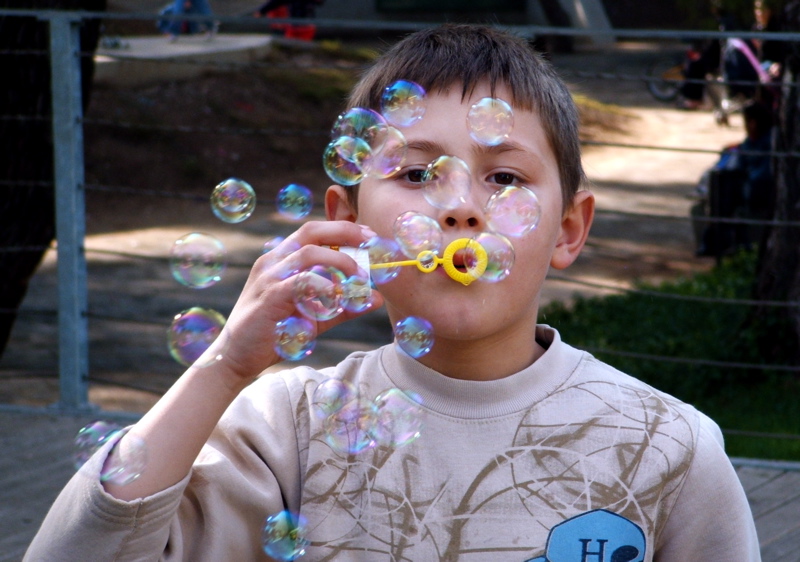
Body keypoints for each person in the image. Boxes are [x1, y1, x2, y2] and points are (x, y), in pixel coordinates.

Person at [25, 24, 760, 561]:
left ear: (568, 229)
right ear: (347, 224)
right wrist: (225, 363)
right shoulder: (286, 430)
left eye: (503, 177)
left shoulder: (666, 447)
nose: (461, 207)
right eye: (415, 175)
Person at [692, 100, 774, 257]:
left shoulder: (769, 142)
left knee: (728, 188)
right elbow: (741, 159)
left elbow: (762, 176)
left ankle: (719, 241)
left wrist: (744, 182)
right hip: (746, 188)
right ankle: (716, 240)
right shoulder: (752, 141)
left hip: (758, 192)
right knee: (721, 182)